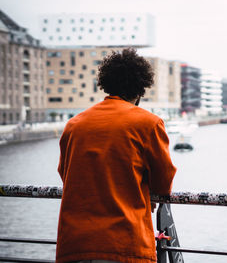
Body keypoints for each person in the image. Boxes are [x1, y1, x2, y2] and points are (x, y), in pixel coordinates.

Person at [56, 48, 176, 263]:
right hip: (125, 244)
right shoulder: (148, 123)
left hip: (76, 244)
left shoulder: (74, 125)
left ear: (106, 84)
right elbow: (163, 181)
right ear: (140, 89)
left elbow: (65, 172)